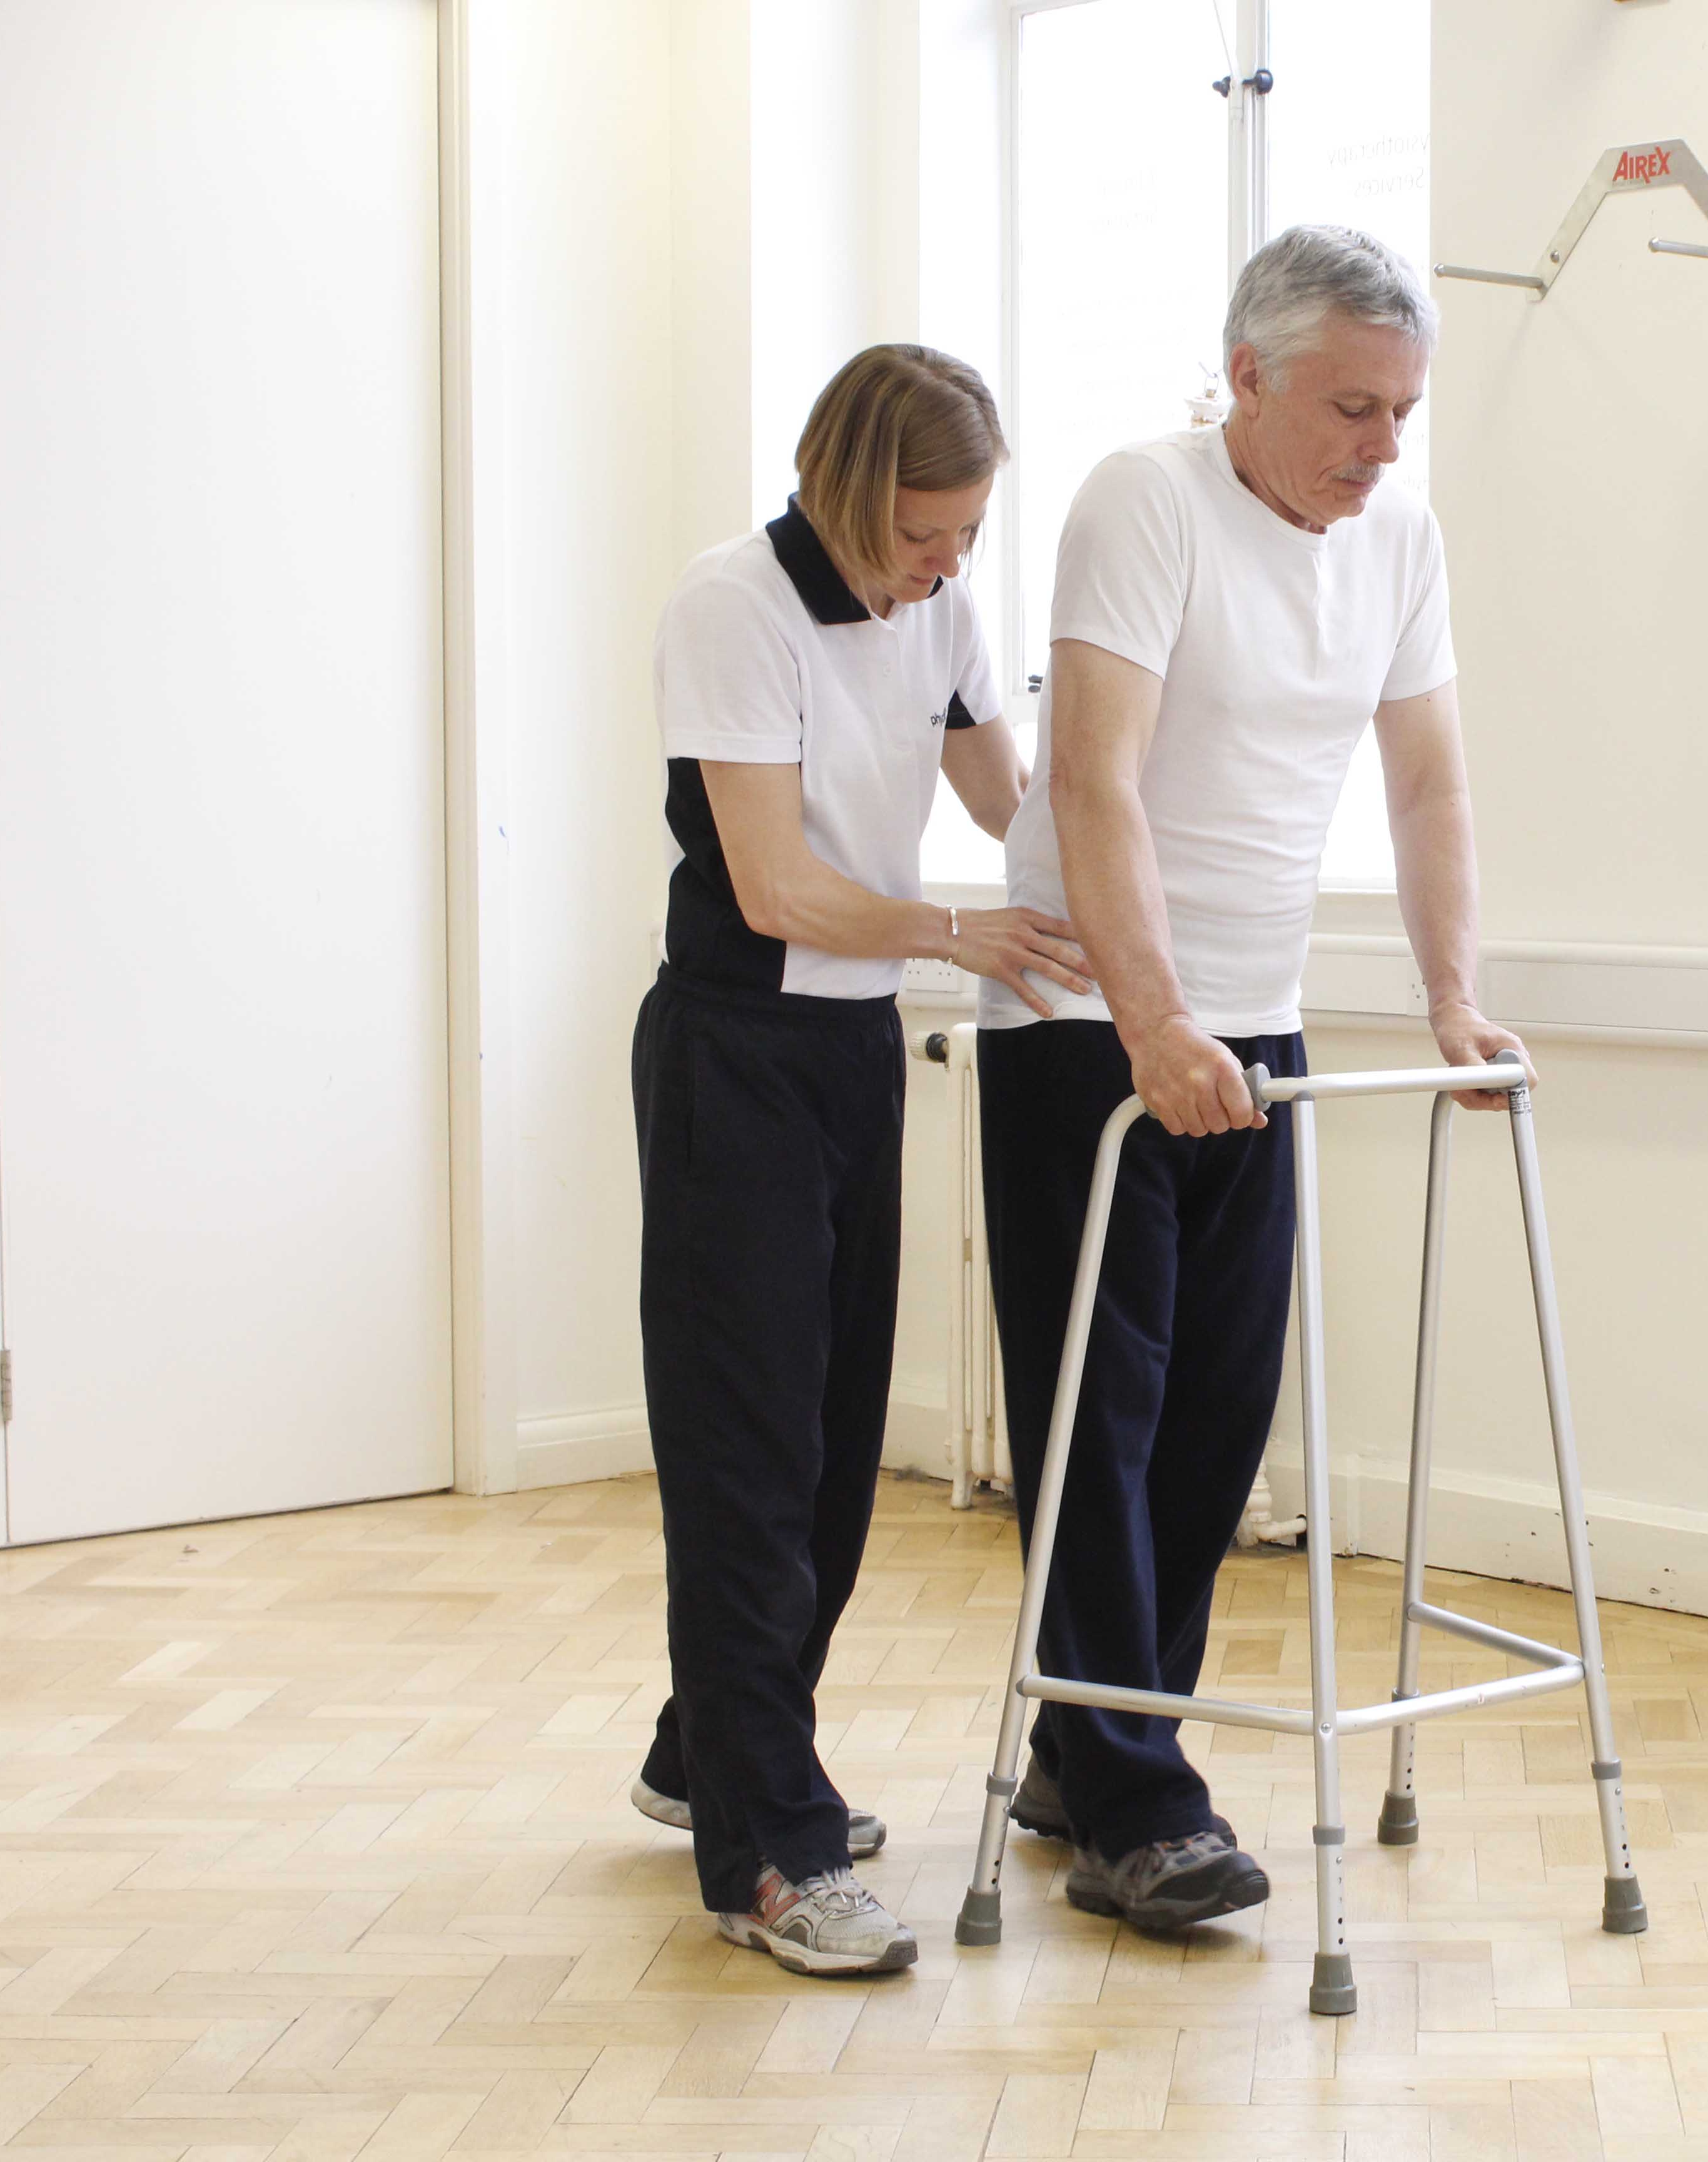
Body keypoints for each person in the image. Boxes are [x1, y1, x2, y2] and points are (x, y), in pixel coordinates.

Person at [976, 225, 1525, 1932]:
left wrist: (1453, 1003)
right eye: (1352, 407)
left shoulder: (1400, 543)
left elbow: (1427, 785)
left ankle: (1099, 1748)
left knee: (1216, 1419)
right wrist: (1152, 1020)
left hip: (1256, 1031)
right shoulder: (1143, 503)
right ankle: (1144, 1799)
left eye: (1402, 414)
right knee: (1103, 1421)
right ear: (1249, 379)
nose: (1380, 446)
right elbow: (1097, 783)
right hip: (1094, 1029)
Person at [630, 345, 1093, 1977]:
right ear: (844, 486)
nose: (945, 565)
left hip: (851, 1058)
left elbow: (1008, 800)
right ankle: (772, 1855)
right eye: (922, 533)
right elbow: (772, 887)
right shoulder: (731, 608)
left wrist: (1114, 876)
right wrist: (962, 935)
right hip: (733, 1057)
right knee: (749, 1460)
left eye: (967, 536)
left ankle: (711, 1752)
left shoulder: (942, 612)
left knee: (828, 1454)